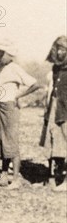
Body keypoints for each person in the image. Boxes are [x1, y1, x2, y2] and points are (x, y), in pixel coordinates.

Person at [0, 40, 42, 189]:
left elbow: (34, 84)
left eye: (1, 54)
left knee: (11, 142)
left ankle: (16, 179)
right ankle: (4, 175)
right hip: (0, 107)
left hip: (9, 108)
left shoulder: (14, 68)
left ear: (9, 55)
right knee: (3, 140)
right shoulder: (4, 70)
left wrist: (17, 96)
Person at [41, 36, 67, 192]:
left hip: (66, 110)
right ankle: (50, 178)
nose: (60, 52)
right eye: (58, 49)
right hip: (55, 108)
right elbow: (52, 90)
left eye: (63, 49)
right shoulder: (56, 68)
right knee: (53, 141)